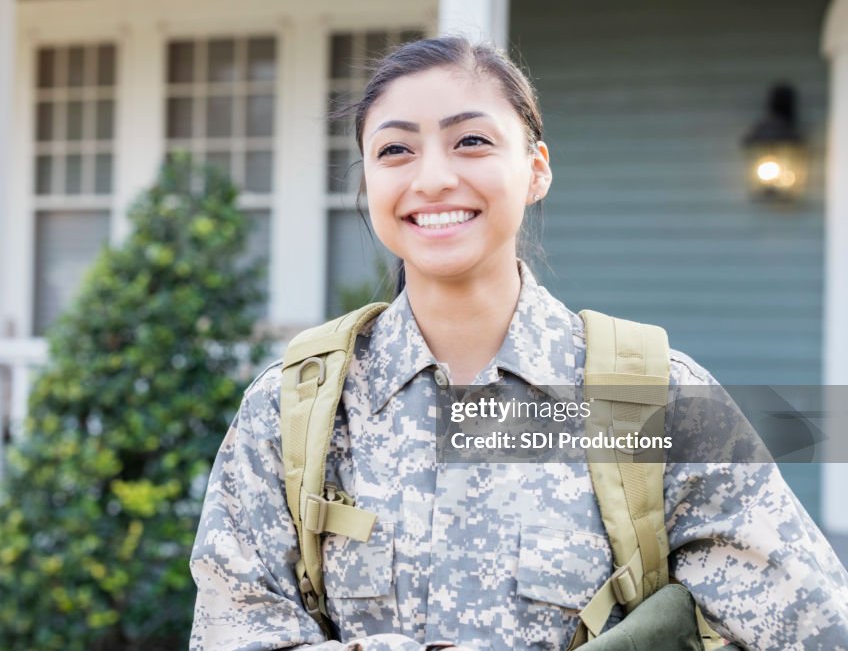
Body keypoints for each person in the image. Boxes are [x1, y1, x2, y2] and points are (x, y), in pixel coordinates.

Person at [188, 36, 848, 650]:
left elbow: (816, 628)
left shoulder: (648, 398)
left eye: (471, 141)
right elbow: (234, 629)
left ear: (536, 170)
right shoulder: (295, 408)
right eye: (395, 150)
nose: (433, 178)